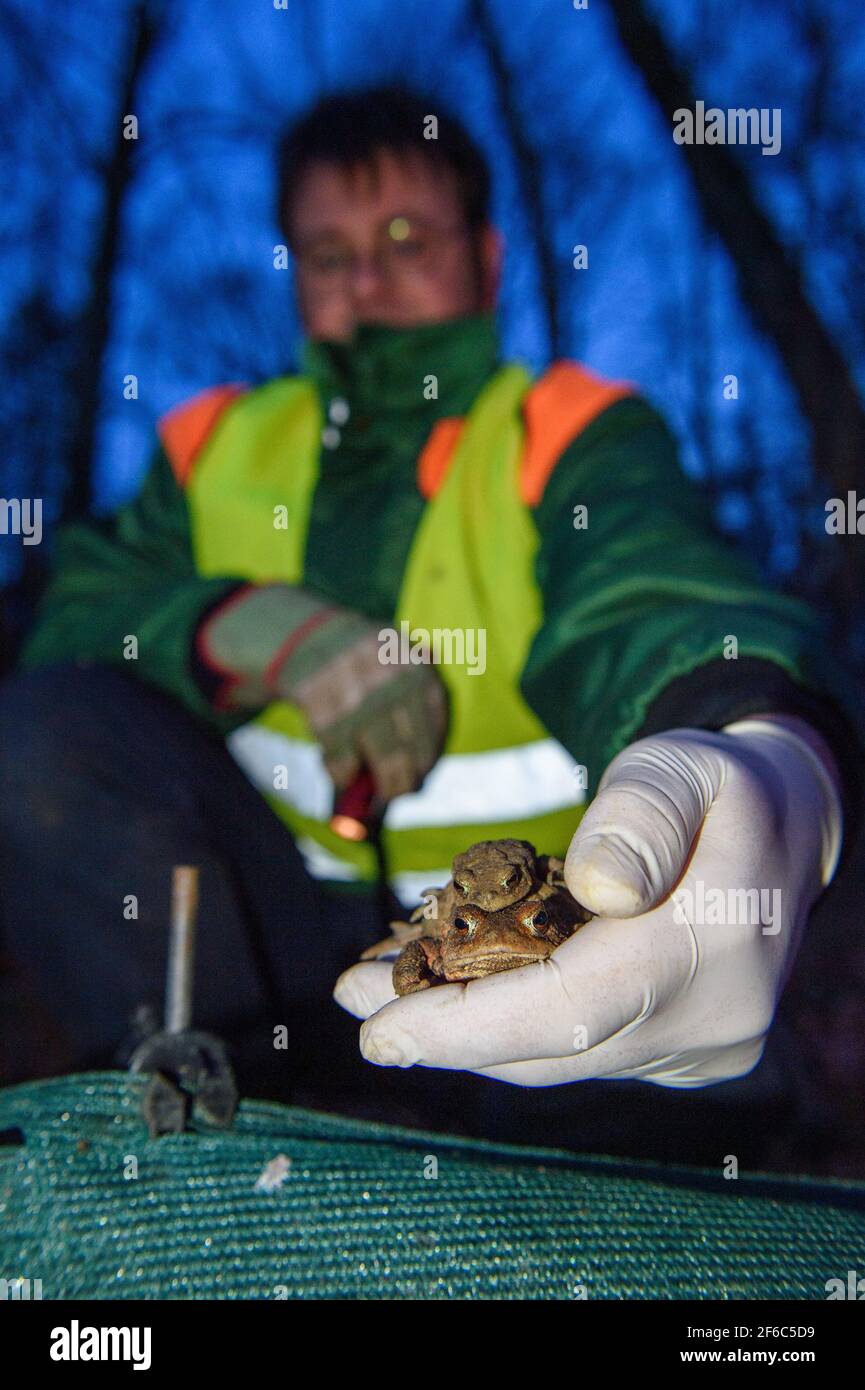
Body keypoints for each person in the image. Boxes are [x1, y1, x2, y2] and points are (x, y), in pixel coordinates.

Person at [1, 85, 861, 1157]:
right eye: (325, 252)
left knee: (673, 1180)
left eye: (405, 236)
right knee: (44, 732)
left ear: (488, 258)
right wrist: (249, 629)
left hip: (560, 948)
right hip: (281, 952)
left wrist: (762, 745)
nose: (365, 279)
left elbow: (656, 591)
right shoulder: (214, 447)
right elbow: (79, 616)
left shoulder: (568, 432)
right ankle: (217, 1116)